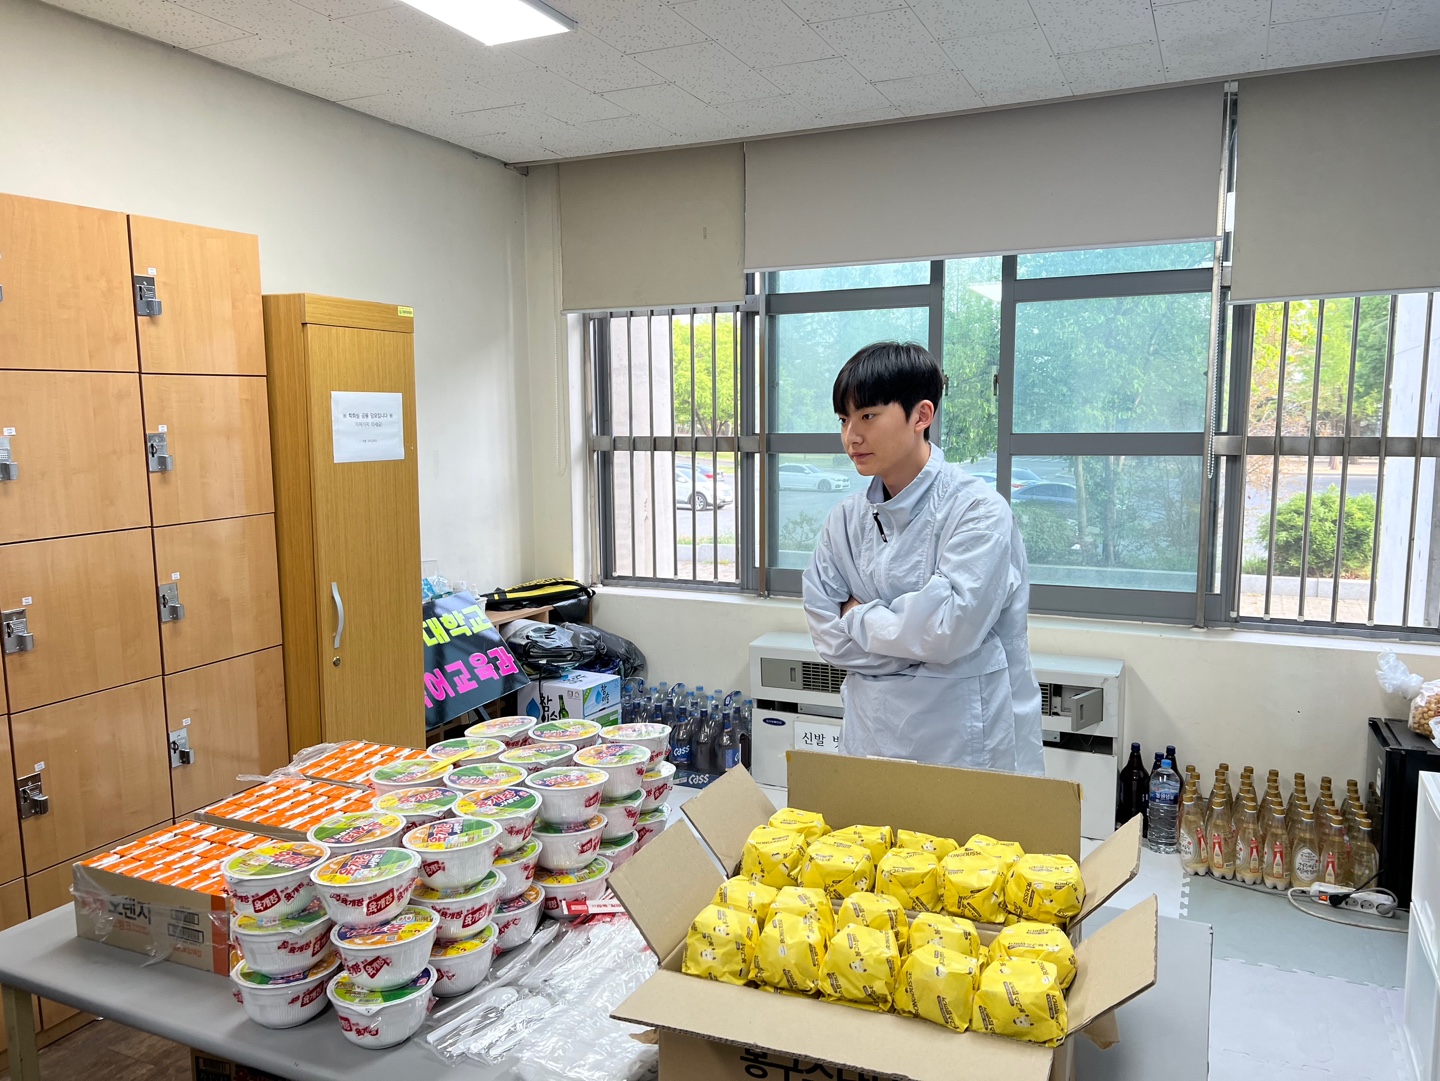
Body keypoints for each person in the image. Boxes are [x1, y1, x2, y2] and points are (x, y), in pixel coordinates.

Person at [801, 341, 1044, 775]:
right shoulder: (844, 520)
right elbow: (827, 636)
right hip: (870, 736)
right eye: (844, 419)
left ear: (921, 416)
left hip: (962, 744)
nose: (851, 436)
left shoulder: (977, 511)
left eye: (868, 416)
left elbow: (947, 632)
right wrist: (918, 643)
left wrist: (856, 616)